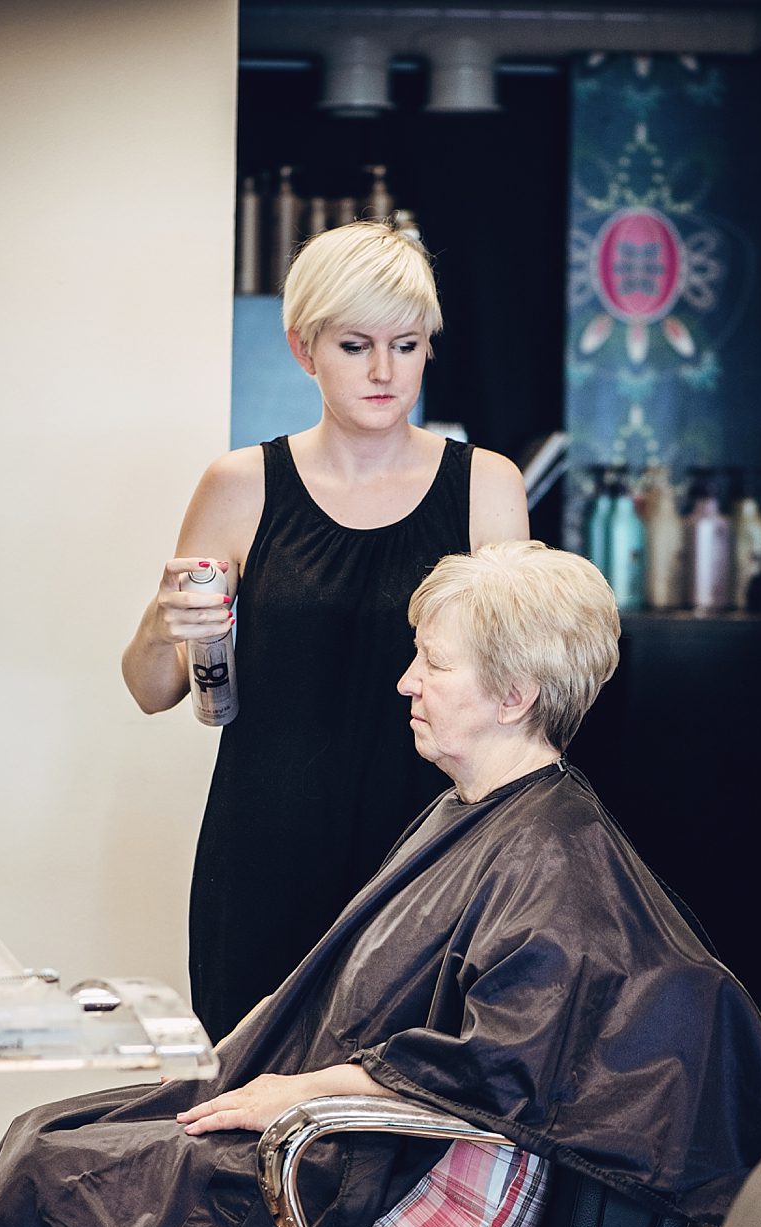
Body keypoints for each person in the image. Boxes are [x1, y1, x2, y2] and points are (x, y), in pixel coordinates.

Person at [0, 542, 761, 1227]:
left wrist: (299, 1090)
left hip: (378, 1175)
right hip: (366, 1150)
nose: (406, 683)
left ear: (514, 695)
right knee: (45, 1136)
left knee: (58, 1187)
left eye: (434, 665)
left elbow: (498, 1069)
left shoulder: (558, 861)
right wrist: (246, 1060)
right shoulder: (478, 811)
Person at [121, 221, 531, 1039]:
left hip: (427, 861)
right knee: (249, 1092)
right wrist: (170, 624)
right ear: (304, 349)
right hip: (263, 855)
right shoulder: (241, 485)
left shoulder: (486, 486)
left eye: (406, 346)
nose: (384, 372)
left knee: (407, 1092)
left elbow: (518, 694)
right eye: (355, 346)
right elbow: (148, 689)